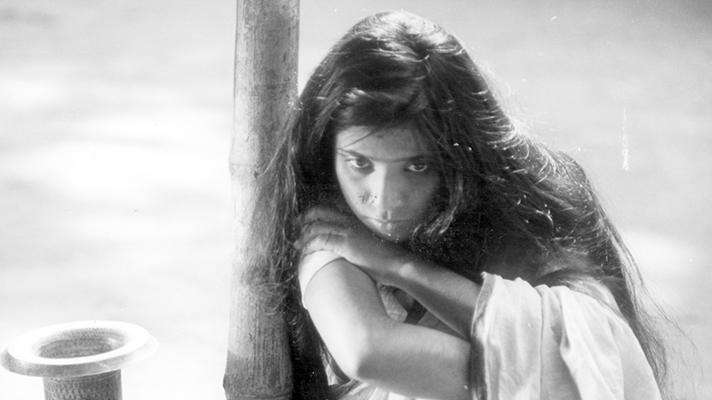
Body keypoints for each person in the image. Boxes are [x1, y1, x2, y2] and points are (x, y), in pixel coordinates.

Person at [249, 10, 668, 400]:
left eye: (417, 166)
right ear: (328, 149)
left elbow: (593, 353)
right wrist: (529, 365)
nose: (385, 198)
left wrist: (401, 267)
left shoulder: (532, 212)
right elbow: (368, 351)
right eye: (360, 164)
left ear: (459, 159)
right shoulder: (326, 221)